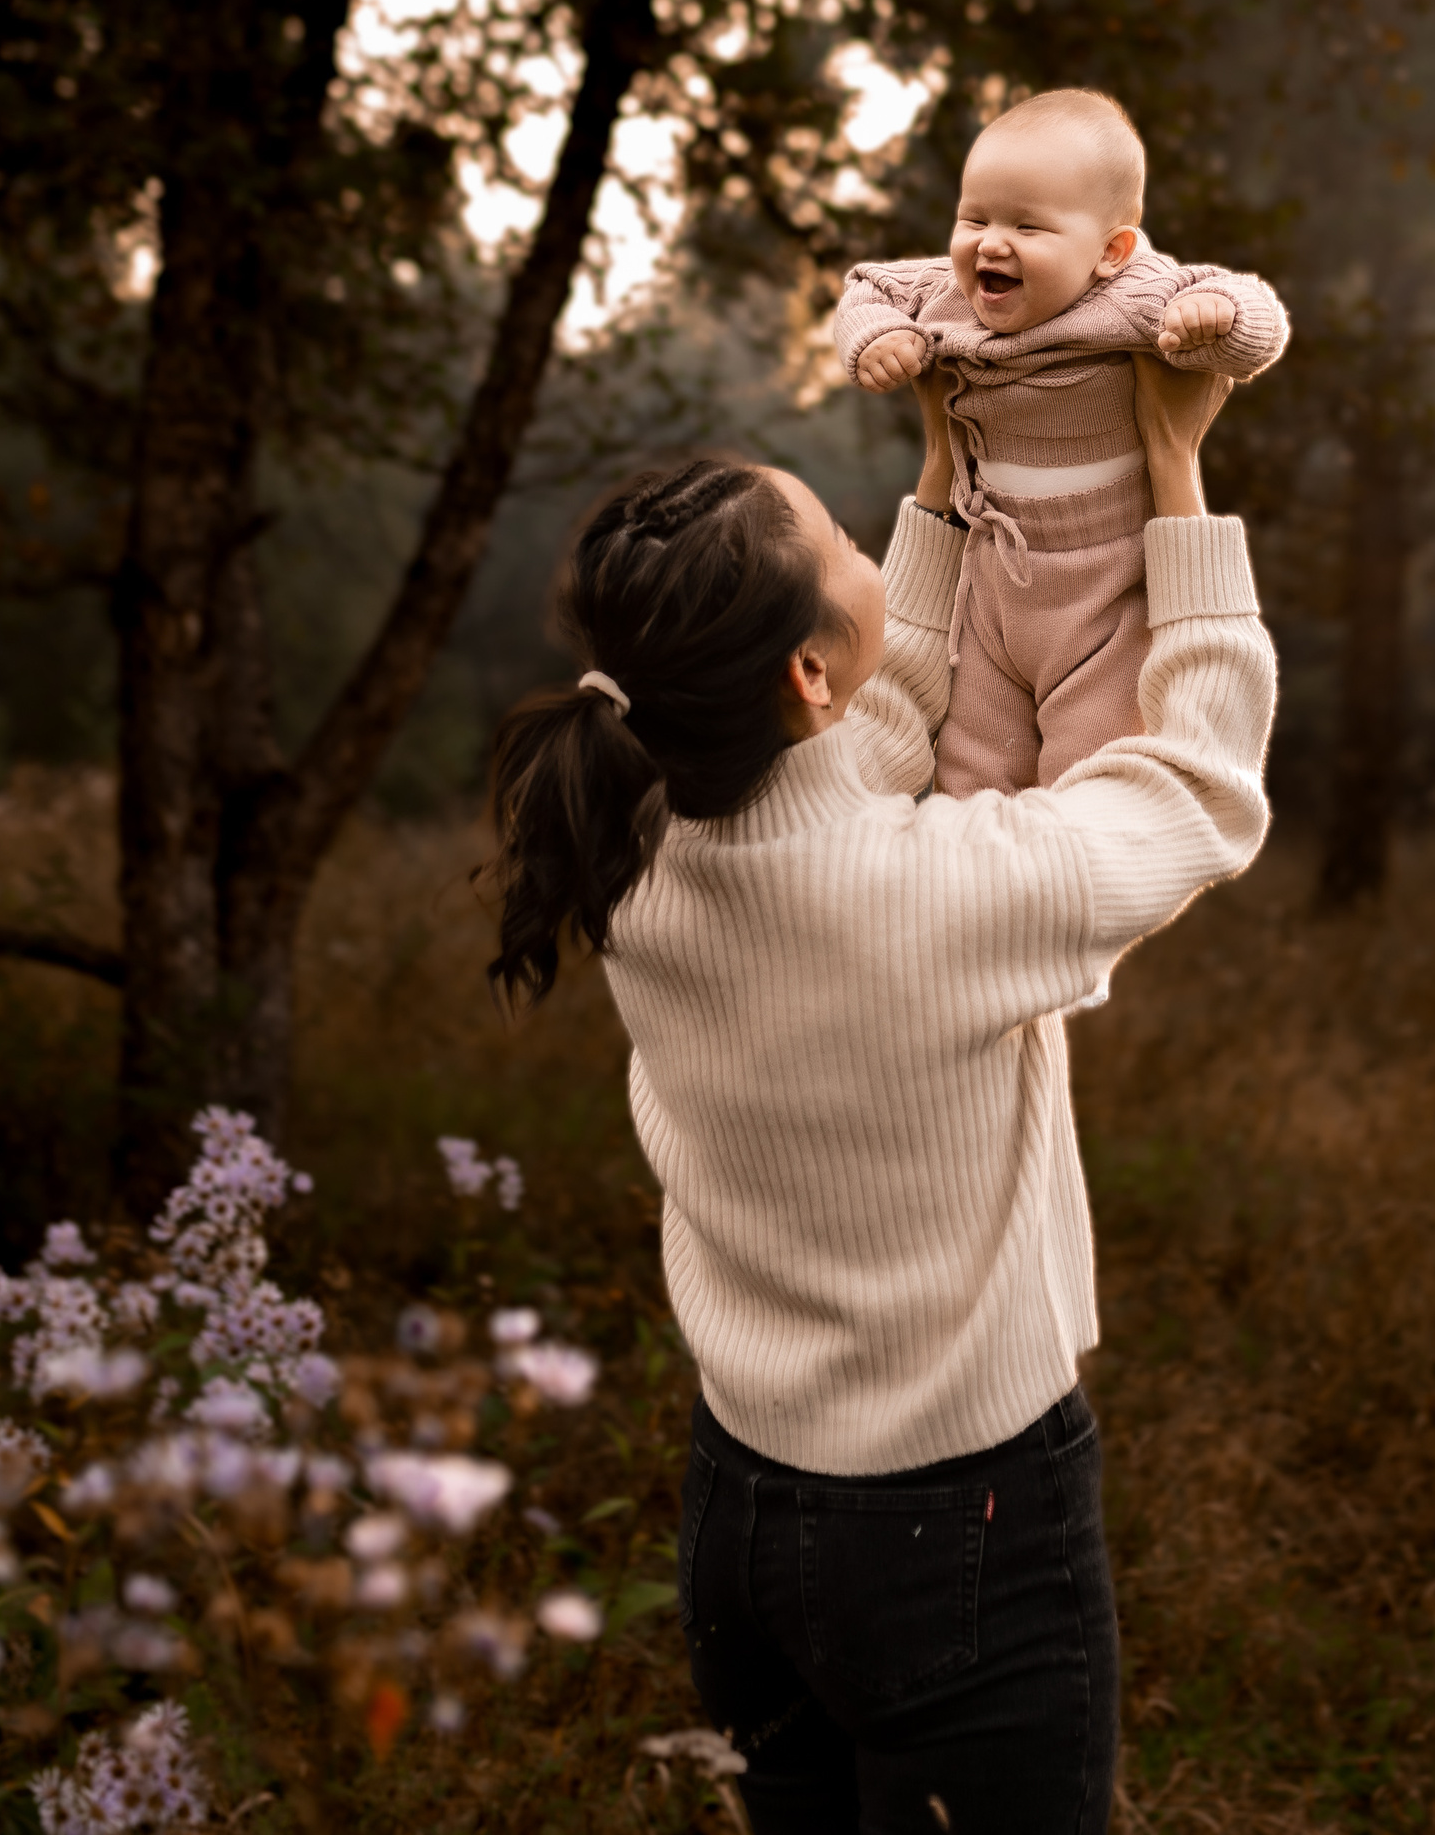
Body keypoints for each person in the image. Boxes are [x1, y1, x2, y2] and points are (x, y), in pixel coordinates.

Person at [480, 357, 1275, 1834]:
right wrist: (1178, 478)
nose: (871, 552)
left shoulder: (637, 851)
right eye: (846, 545)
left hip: (740, 1510)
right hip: (955, 1526)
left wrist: (946, 471)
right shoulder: (933, 896)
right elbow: (1202, 792)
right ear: (799, 674)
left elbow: (868, 721)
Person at [833, 88, 1287, 798]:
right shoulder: (944, 297)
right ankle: (970, 886)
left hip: (1105, 591)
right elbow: (866, 287)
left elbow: (1258, 321)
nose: (990, 241)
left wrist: (1217, 317)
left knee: (1089, 778)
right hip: (990, 577)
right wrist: (877, 337)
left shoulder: (1135, 295)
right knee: (973, 773)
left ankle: (1064, 891)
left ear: (1110, 252)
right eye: (973, 216)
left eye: (1029, 226)